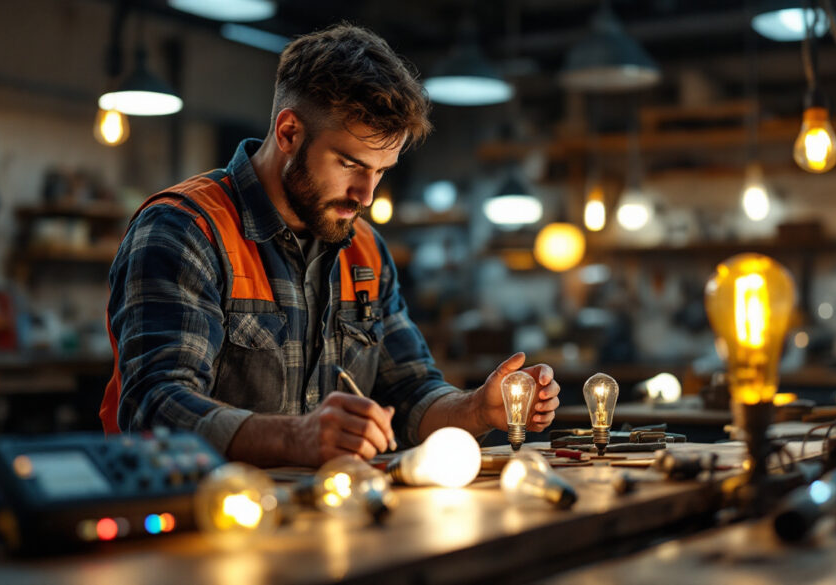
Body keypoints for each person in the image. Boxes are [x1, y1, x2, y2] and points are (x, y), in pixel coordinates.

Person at [100, 23, 560, 467]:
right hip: (192, 527)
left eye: (381, 172)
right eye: (349, 163)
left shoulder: (365, 250)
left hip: (327, 523)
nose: (366, 196)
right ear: (288, 133)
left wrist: (476, 409)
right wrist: (297, 437)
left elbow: (412, 392)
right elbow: (156, 408)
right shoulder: (185, 230)